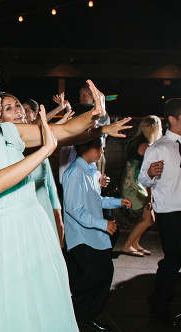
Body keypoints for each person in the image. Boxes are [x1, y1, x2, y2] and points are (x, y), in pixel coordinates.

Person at [0, 71, 126, 330]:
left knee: (42, 310)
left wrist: (95, 113)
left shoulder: (9, 132)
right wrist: (45, 152)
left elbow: (67, 129)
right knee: (5, 314)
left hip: (34, 229)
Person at [62, 138, 131, 331]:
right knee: (98, 274)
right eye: (98, 147)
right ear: (83, 148)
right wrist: (103, 224)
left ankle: (83, 314)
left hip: (92, 234)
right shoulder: (75, 172)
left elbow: (96, 200)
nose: (102, 150)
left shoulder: (90, 171)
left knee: (101, 273)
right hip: (82, 236)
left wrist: (118, 202)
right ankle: (72, 308)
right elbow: (75, 210)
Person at [0, 92, 64, 246]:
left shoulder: (32, 132)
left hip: (43, 197)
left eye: (18, 106)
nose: (18, 110)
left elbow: (59, 132)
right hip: (22, 209)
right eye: (9, 108)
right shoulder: (3, 139)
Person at [141, 98, 181, 326]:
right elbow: (142, 178)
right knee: (172, 260)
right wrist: (151, 174)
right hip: (170, 213)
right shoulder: (159, 147)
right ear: (172, 119)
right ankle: (159, 305)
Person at [120, 115, 162, 257]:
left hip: (129, 183)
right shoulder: (146, 146)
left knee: (146, 218)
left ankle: (134, 244)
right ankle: (127, 246)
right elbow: (148, 174)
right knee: (148, 218)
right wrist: (150, 196)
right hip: (137, 186)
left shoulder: (135, 142)